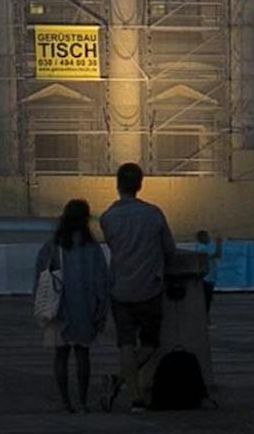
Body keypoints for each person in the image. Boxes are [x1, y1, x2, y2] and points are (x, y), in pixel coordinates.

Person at [99, 163, 177, 413]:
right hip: (150, 288)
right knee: (150, 343)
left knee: (125, 343)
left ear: (117, 185)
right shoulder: (154, 214)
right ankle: (120, 382)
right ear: (140, 184)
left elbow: (114, 246)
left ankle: (135, 399)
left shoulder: (107, 218)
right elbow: (170, 250)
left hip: (120, 288)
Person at [35, 198, 109, 414]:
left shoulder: (52, 246)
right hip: (84, 310)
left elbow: (40, 278)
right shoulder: (92, 247)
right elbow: (102, 281)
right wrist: (101, 310)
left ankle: (65, 402)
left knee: (61, 356)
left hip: (57, 309)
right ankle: (83, 401)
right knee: (83, 355)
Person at [193, 228, 222, 312]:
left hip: (208, 276)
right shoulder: (202, 248)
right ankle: (204, 316)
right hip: (207, 277)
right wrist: (219, 244)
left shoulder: (203, 247)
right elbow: (217, 255)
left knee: (206, 299)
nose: (210, 238)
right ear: (203, 237)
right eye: (208, 236)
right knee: (206, 300)